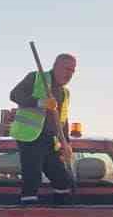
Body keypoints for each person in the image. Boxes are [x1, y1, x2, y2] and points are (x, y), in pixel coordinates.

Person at [8, 53, 76, 205]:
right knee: (32, 177)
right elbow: (14, 95)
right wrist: (40, 102)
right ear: (56, 66)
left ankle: (62, 210)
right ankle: (29, 211)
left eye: (73, 71)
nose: (69, 74)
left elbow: (62, 119)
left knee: (61, 179)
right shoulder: (36, 78)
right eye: (67, 69)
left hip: (49, 140)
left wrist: (67, 143)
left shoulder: (65, 92)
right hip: (29, 137)